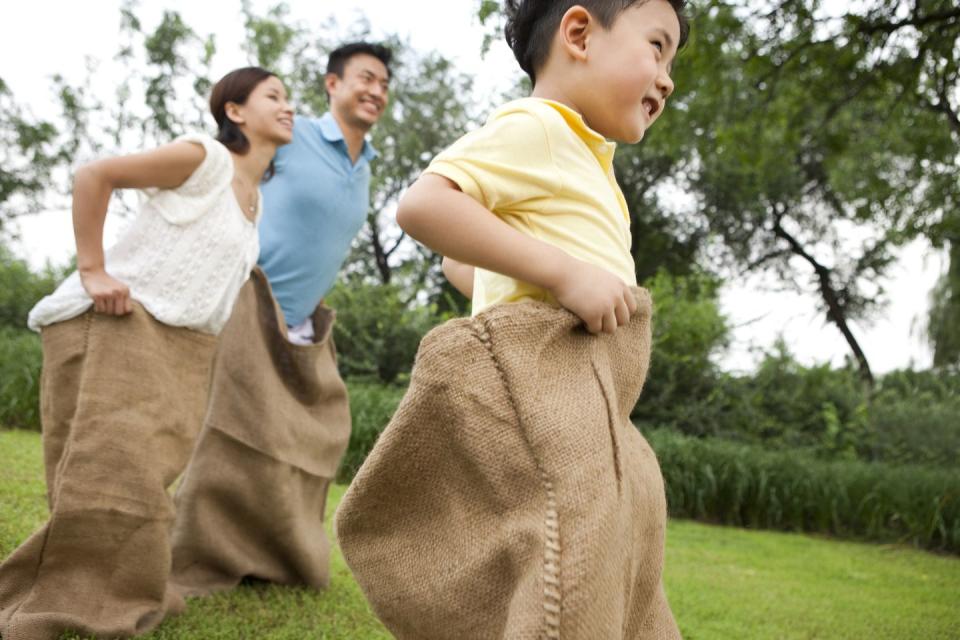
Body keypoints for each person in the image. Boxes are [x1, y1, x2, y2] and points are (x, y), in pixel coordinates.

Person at [335, 1, 690, 638]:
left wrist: (522, 275)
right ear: (579, 32)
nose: (667, 78)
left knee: (620, 536)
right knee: (575, 543)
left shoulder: (585, 158)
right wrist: (563, 274)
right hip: (548, 381)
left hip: (596, 388)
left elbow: (454, 262)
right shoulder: (540, 127)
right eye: (658, 46)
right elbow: (424, 206)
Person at [0, 67, 293, 640]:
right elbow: (95, 174)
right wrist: (93, 270)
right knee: (109, 473)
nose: (288, 107)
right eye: (274, 96)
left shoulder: (254, 202)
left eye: (288, 99)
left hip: (183, 347)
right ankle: (57, 598)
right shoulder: (203, 158)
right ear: (235, 111)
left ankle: (121, 586)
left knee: (146, 478)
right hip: (120, 325)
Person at [168, 42, 391, 597]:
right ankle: (193, 554)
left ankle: (271, 555)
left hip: (300, 321)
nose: (376, 91)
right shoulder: (298, 136)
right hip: (247, 301)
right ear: (332, 84)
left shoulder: (365, 165)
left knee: (315, 434)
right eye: (365, 78)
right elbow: (231, 169)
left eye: (384, 84)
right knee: (232, 433)